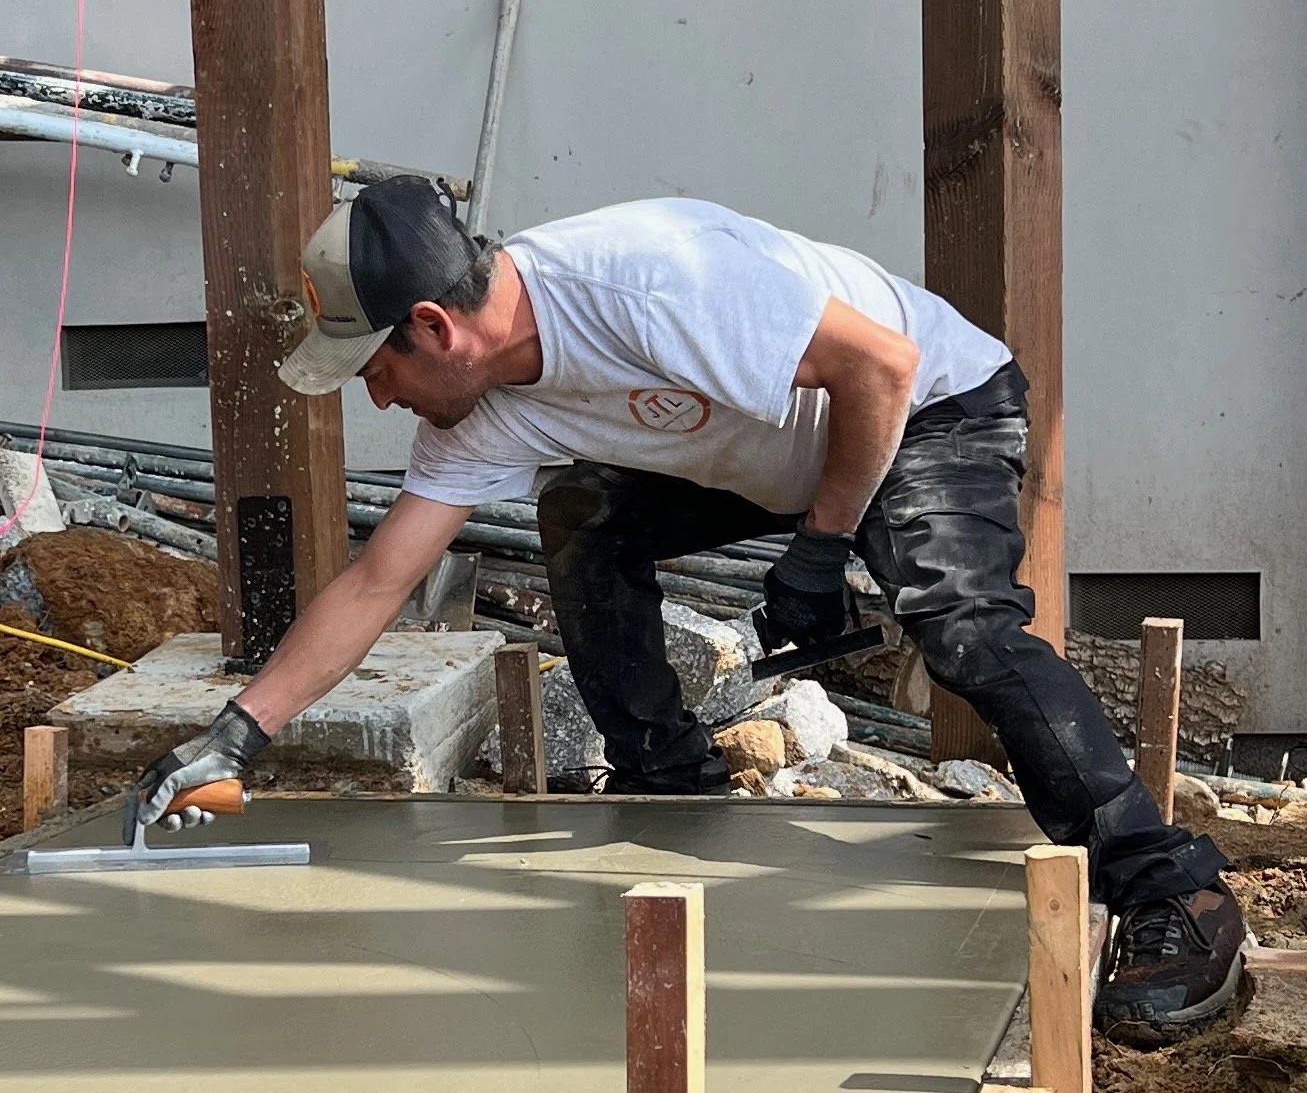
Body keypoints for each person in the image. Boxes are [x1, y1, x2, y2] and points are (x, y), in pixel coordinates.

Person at [136, 176, 1246, 1043]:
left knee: (957, 624)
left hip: (930, 410)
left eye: (371, 368)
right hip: (776, 456)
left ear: (432, 327)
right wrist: (239, 732)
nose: (372, 397)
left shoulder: (647, 282)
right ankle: (670, 786)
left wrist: (820, 549)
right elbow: (377, 581)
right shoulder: (473, 413)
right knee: (585, 513)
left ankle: (1170, 890)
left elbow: (882, 367)